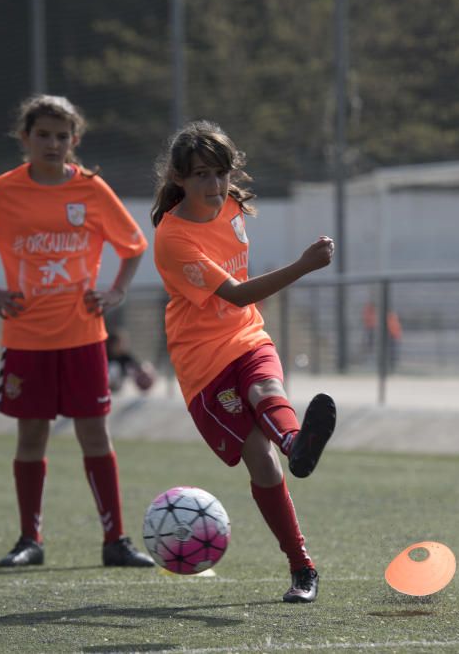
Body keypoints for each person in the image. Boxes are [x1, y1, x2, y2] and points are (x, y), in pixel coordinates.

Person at [0, 94, 155, 570]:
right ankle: (29, 540)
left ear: (75, 141)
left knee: (95, 436)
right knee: (32, 437)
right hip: (27, 339)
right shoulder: (3, 191)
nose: (53, 143)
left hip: (84, 336)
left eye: (63, 136)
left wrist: (117, 291)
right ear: (25, 138)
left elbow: (134, 244)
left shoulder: (92, 190)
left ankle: (115, 541)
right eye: (43, 134)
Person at [151, 121, 337, 603]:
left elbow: (240, 310)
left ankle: (298, 443)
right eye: (200, 177)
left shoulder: (232, 205)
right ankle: (301, 562)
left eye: (220, 174)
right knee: (261, 461)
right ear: (177, 178)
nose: (214, 187)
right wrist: (303, 266)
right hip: (203, 364)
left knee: (267, 392)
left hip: (248, 337)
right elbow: (233, 295)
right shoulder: (173, 239)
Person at [105, 329, 156, 394]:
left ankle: (144, 384)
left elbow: (138, 365)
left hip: (119, 384)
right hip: (106, 382)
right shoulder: (105, 355)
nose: (122, 345)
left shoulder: (125, 356)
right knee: (114, 367)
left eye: (123, 343)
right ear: (112, 344)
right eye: (120, 343)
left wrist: (146, 371)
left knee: (145, 366)